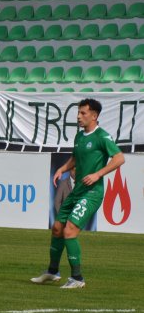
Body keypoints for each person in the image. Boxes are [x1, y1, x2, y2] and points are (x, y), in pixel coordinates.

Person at [31, 98, 124, 289]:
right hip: (77, 191)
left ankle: (77, 278)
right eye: (78, 113)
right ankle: (52, 271)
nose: (79, 116)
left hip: (92, 193)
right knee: (57, 228)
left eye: (83, 113)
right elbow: (74, 158)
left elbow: (119, 158)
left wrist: (98, 174)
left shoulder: (102, 136)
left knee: (69, 231)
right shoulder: (80, 136)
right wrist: (62, 169)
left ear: (94, 116)